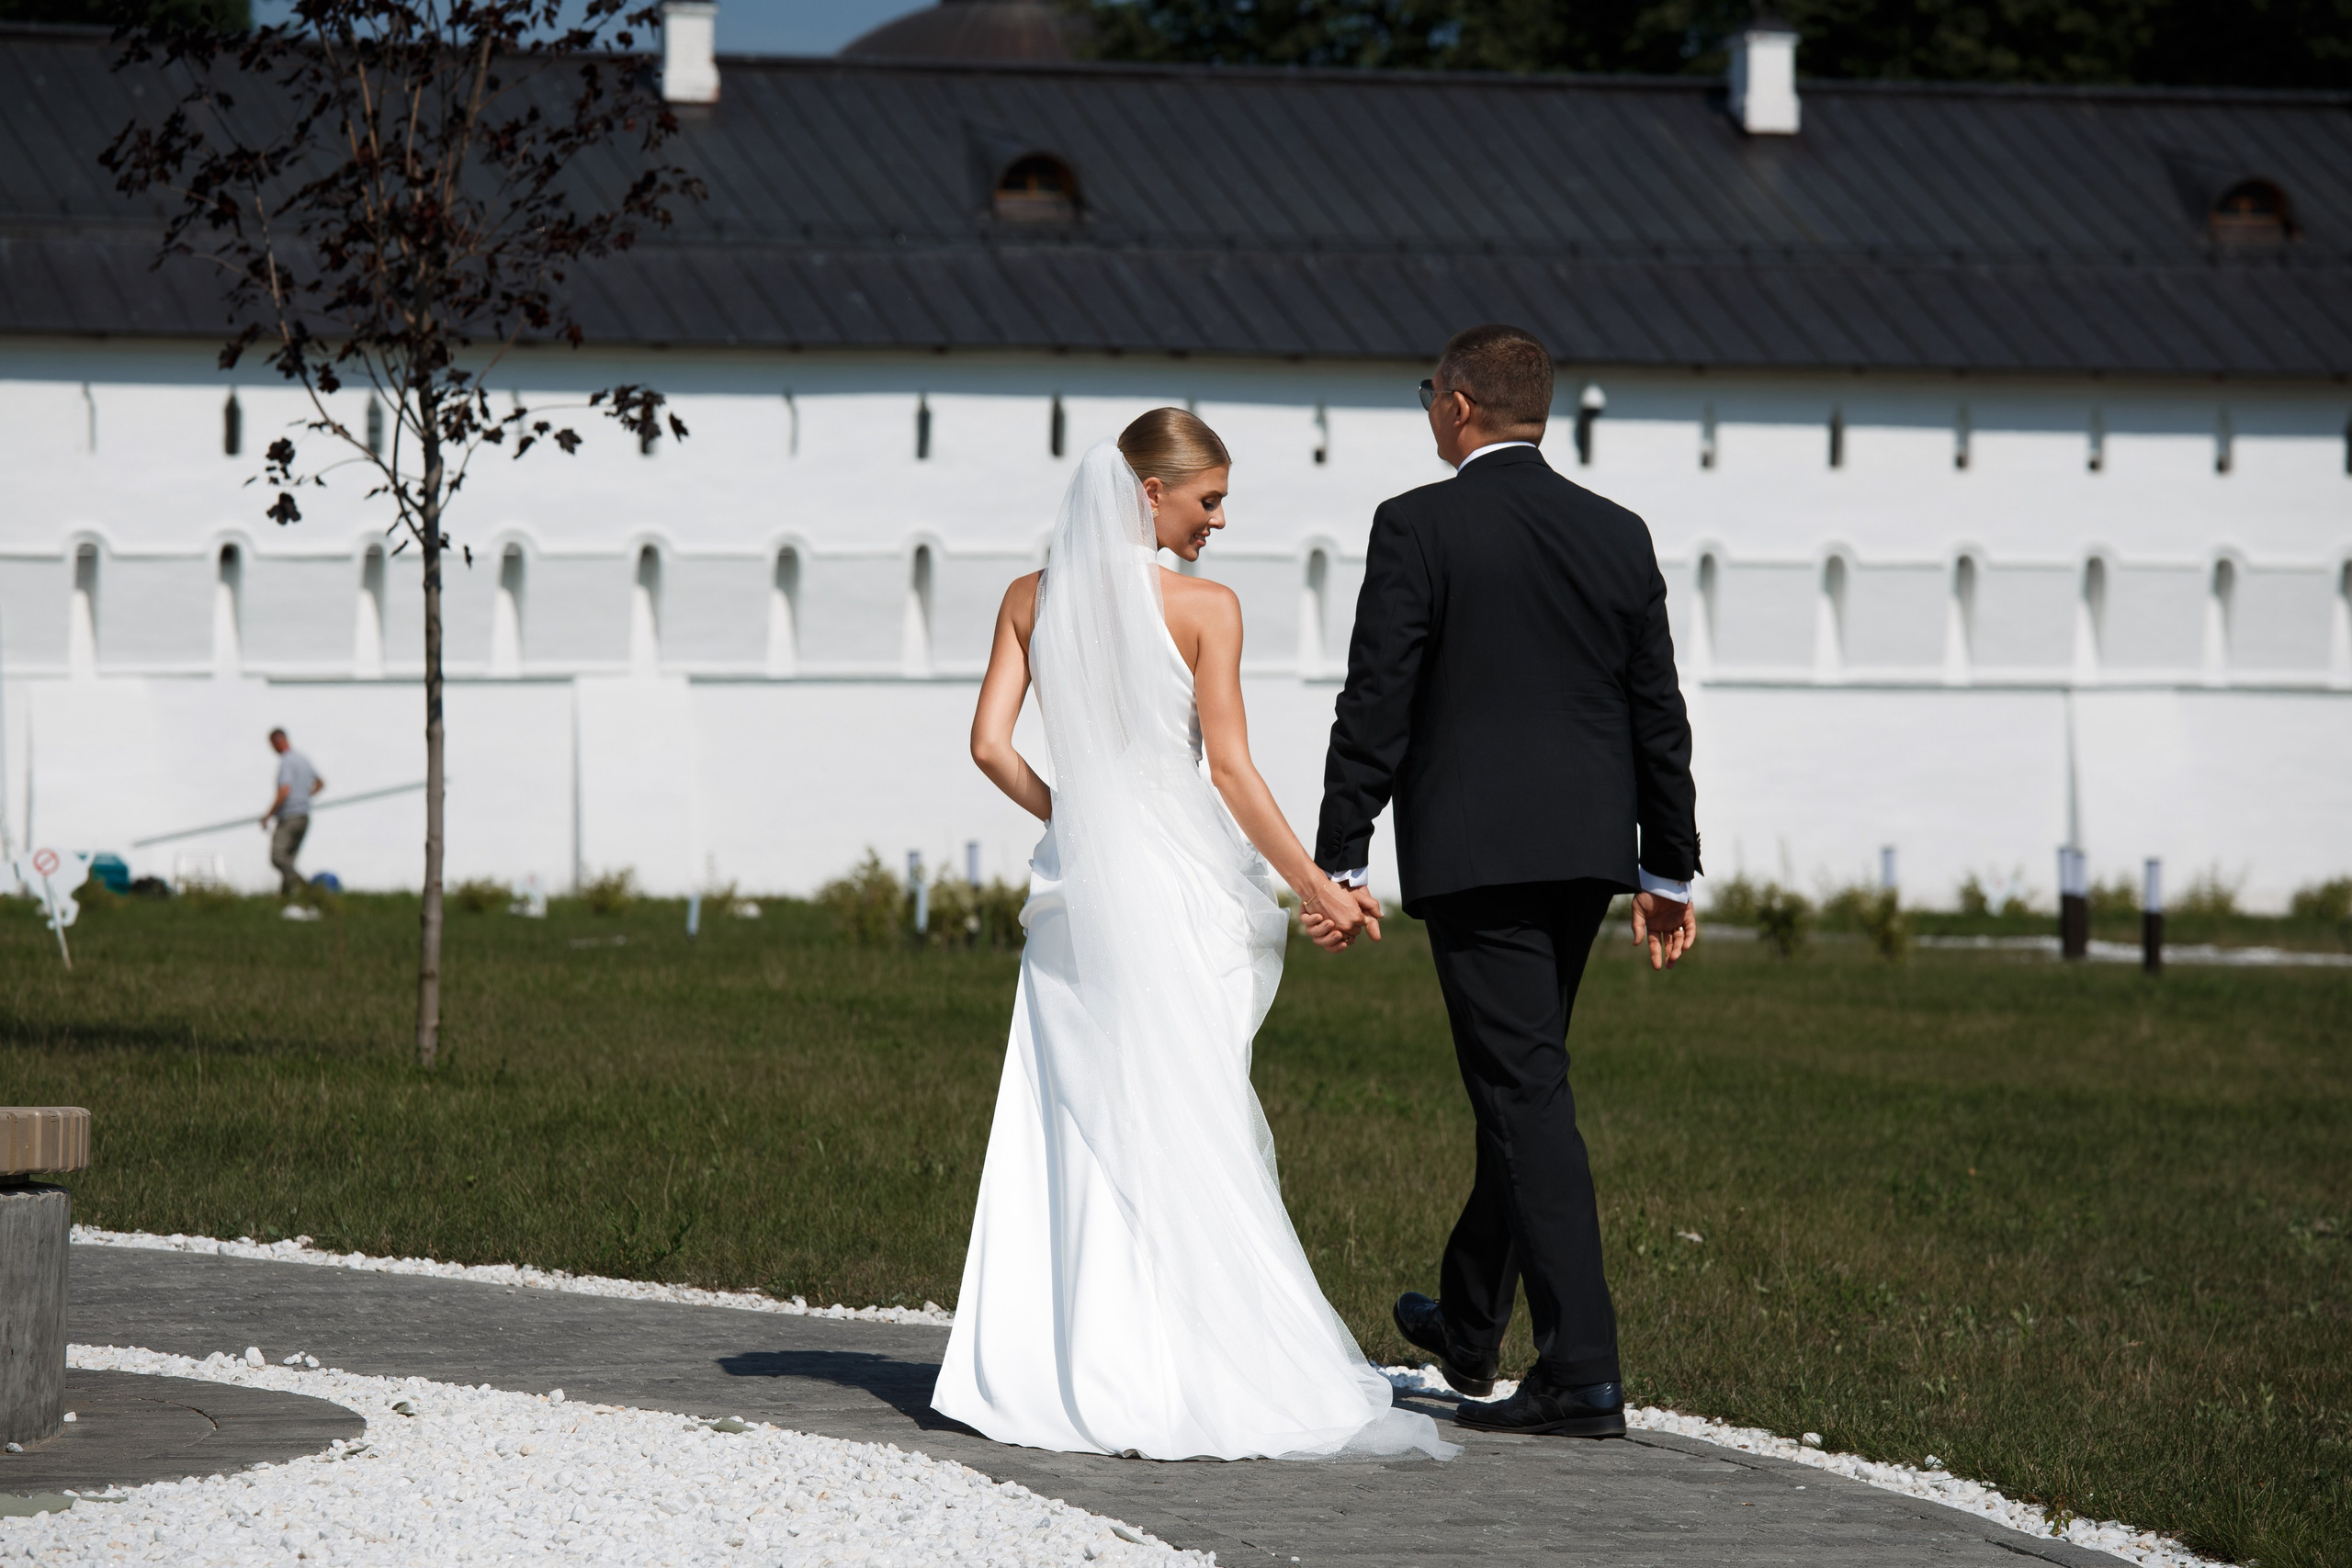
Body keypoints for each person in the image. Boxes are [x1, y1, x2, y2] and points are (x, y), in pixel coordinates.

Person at [932, 410, 1453, 1463]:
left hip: (1077, 892)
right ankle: (1199, 1366)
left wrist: (1080, 822)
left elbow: (989, 746)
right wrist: (1317, 885)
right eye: (1207, 498)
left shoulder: (1030, 601)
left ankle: (1061, 1368)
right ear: (1149, 494)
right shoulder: (1207, 609)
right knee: (1189, 1114)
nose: (1219, 519)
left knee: (1072, 1118)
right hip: (1175, 892)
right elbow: (1229, 771)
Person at [1309, 324, 1702, 1439]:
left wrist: (1341, 852)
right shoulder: (1616, 532)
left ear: (1461, 407)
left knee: (1523, 1091)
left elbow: (1375, 697)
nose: (1430, 407)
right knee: (1518, 1082)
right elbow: (1655, 714)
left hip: (1478, 857)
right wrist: (1663, 867)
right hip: (1586, 854)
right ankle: (1472, 1320)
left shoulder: (1417, 523)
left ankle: (1581, 1369)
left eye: (1430, 392)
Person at [261, 728, 324, 900]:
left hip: (289, 817)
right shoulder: (303, 759)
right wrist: (305, 796)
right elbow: (320, 783)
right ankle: (285, 900)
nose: (272, 749)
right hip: (304, 818)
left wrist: (268, 815)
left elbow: (284, 790)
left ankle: (306, 887)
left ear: (278, 741)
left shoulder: (287, 761)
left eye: (272, 745)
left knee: (278, 857)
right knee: (288, 861)